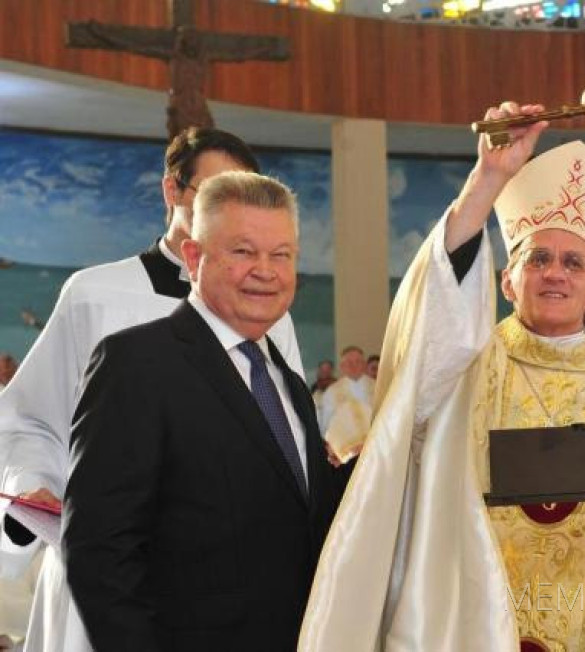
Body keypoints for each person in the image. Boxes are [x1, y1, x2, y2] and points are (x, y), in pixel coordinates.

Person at [298, 107, 585, 651]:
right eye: (538, 258)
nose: (555, 273)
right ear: (507, 281)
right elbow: (430, 324)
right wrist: (488, 181)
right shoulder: (463, 371)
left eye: (574, 263)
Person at [0, 127, 304, 652]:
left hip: (230, 596)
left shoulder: (271, 312)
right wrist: (36, 484)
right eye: (213, 191)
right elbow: (32, 418)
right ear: (172, 190)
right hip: (111, 580)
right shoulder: (95, 295)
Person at [63, 171, 341, 651]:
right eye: (243, 251)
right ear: (194, 258)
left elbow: (295, 516)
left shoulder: (289, 383)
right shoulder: (136, 364)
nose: (266, 271)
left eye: (281, 255)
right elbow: (99, 551)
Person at [320, 345, 375, 468]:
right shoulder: (331, 392)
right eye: (349, 362)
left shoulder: (377, 388)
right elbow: (325, 425)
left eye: (358, 362)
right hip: (345, 454)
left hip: (374, 450)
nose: (354, 366)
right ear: (342, 366)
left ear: (364, 364)